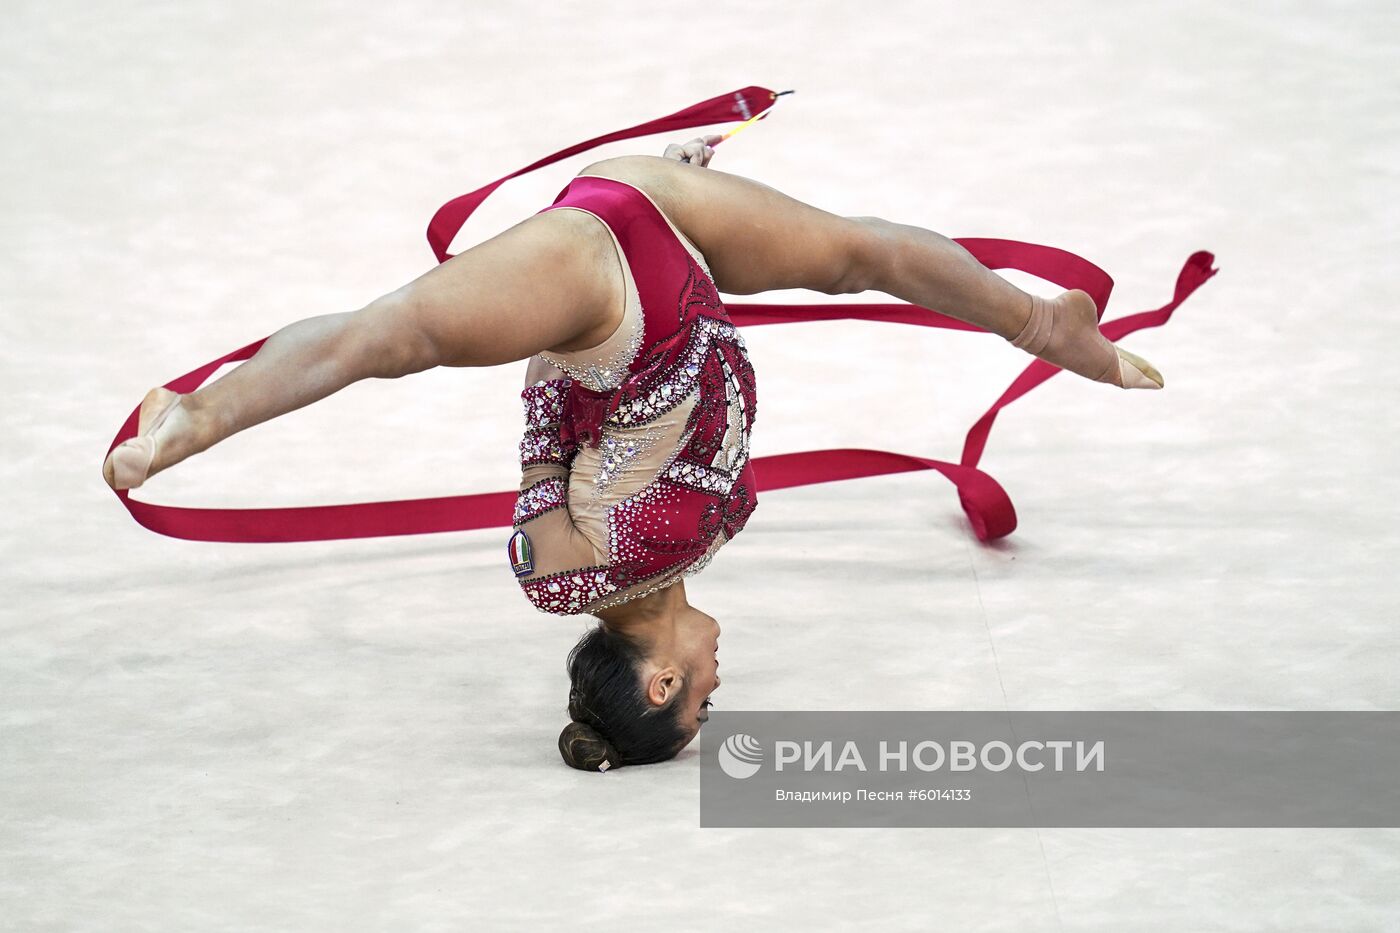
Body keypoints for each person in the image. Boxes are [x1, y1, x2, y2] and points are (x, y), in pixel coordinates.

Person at [103, 136, 1163, 771]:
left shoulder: (592, 570)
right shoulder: (590, 573)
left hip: (608, 301)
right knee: (859, 252)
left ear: (658, 684)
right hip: (670, 256)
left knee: (395, 337)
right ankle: (1043, 322)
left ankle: (196, 421)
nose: (716, 681)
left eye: (702, 698)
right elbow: (554, 452)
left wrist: (554, 328)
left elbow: (543, 437)